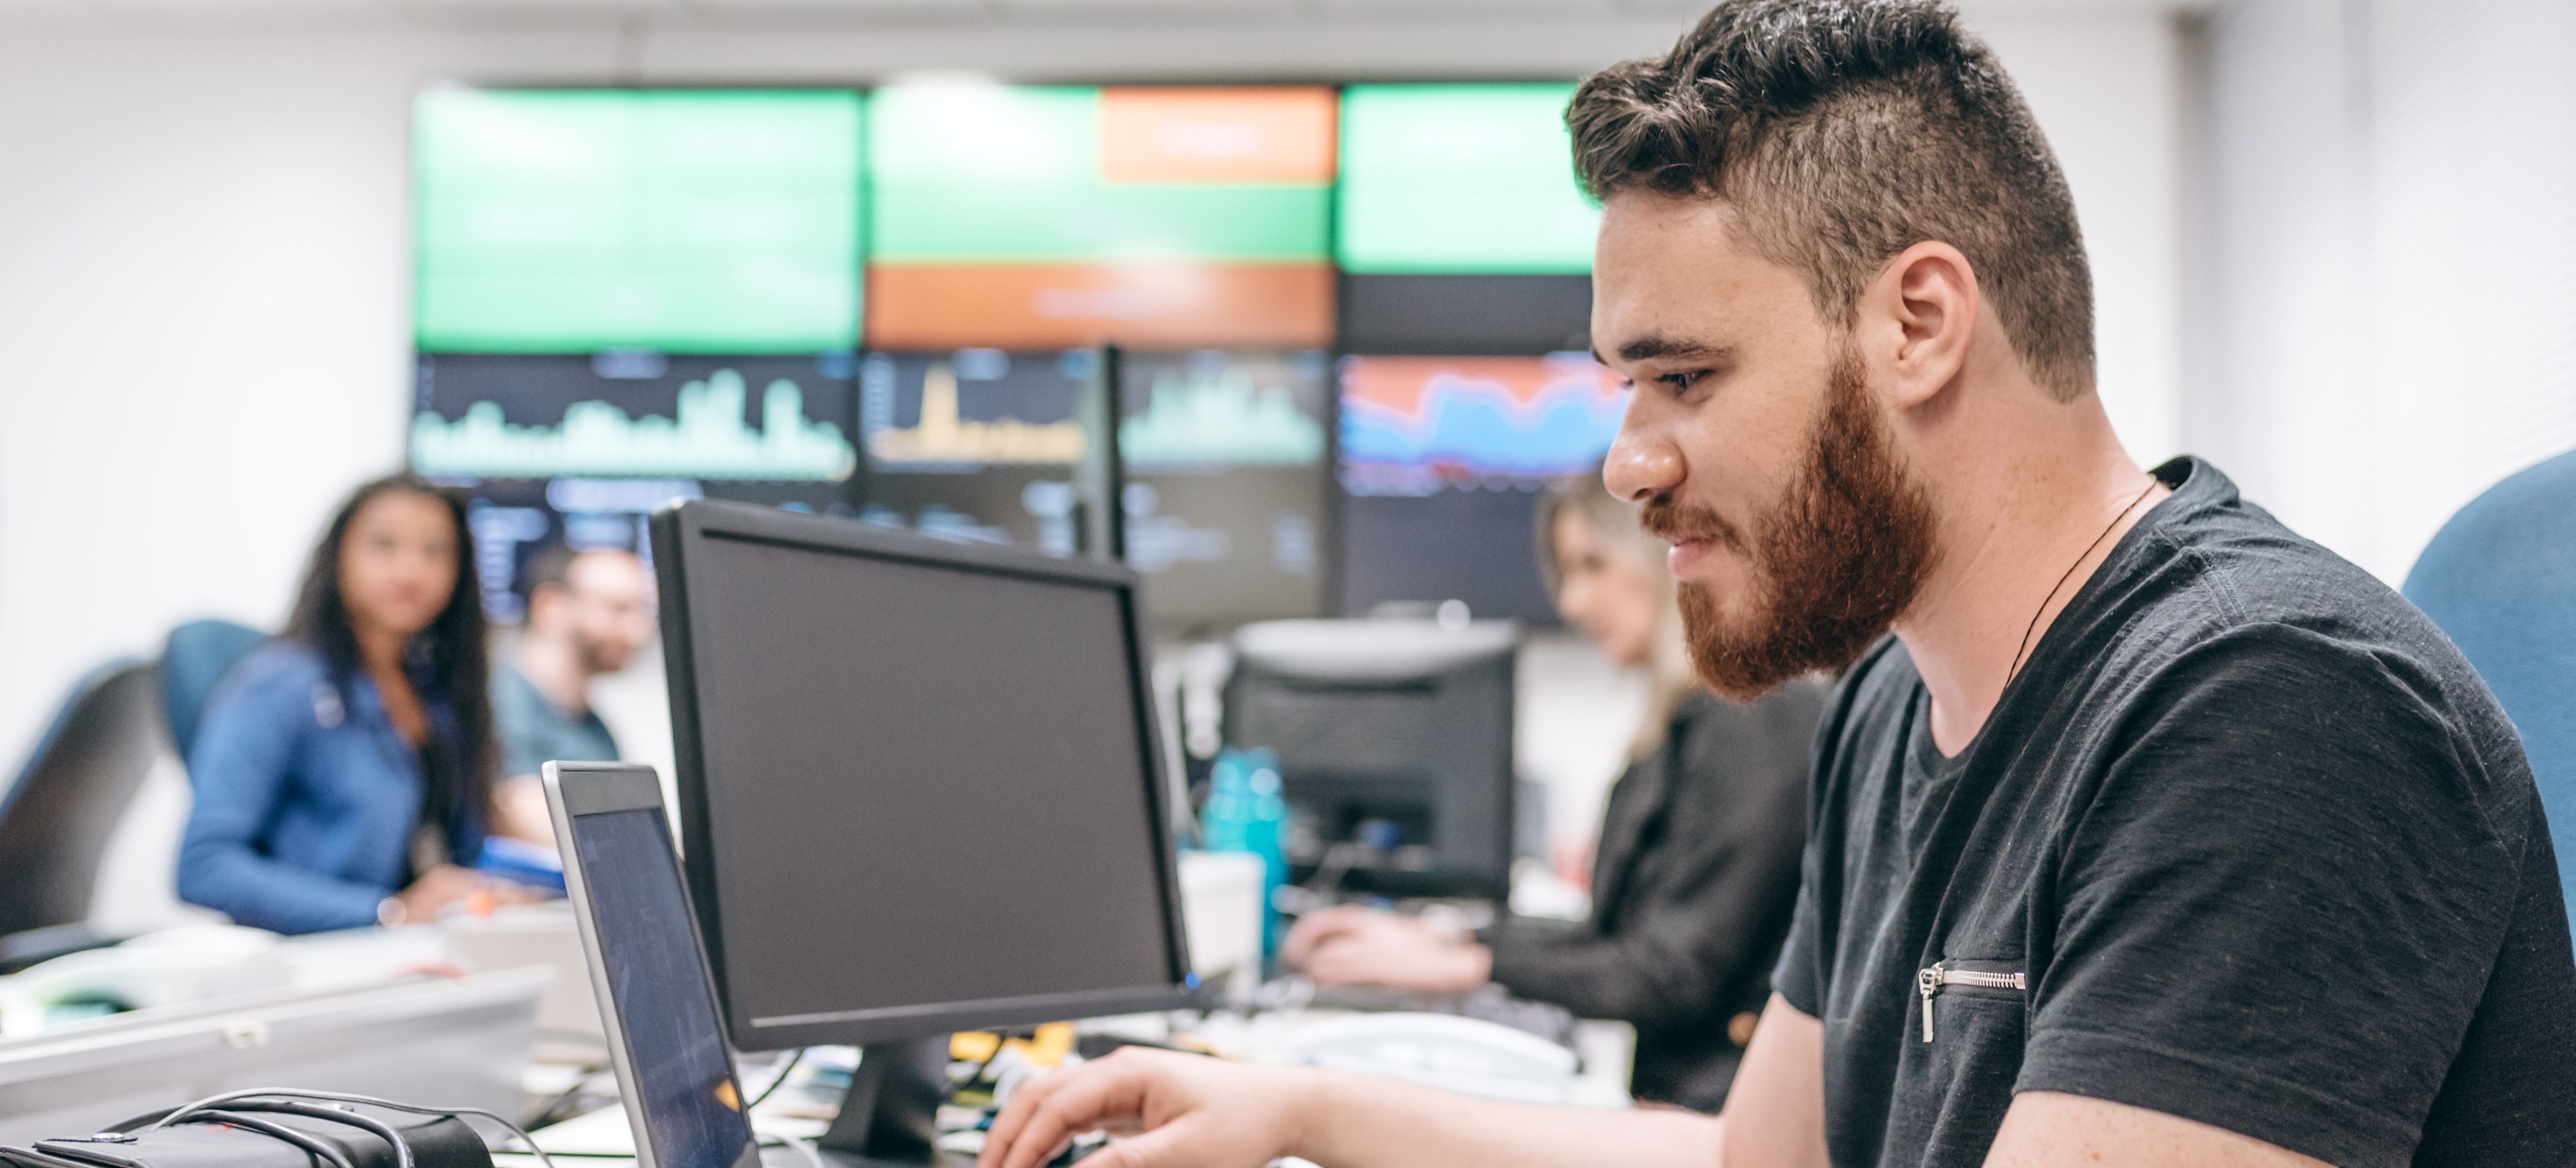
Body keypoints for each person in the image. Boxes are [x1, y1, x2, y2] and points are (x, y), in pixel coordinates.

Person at [978, 3, 2576, 1165]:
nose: (1627, 463)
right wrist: (1306, 1110)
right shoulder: (1897, 704)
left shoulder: (2269, 709)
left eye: (1678, 375)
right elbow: (1762, 1166)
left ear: (1918, 323)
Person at [1284, 473, 1822, 1111]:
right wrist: (1451, 940)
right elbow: (1612, 937)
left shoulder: (1752, 718)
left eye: (1593, 565)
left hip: (1720, 1124)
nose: (1572, 602)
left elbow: (1672, 972)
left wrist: (1471, 966)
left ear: (1663, 555)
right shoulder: (1687, 722)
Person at [179, 475, 530, 935]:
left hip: (410, 950)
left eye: (435, 551)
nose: (410, 569)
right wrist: (387, 912)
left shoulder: (438, 694)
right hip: (319, 956)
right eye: (384, 545)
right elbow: (205, 866)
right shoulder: (278, 687)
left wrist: (500, 889)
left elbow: (462, 847)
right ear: (338, 556)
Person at [487, 545, 655, 844]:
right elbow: (524, 818)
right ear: (551, 608)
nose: (640, 631)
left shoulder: (595, 728)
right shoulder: (497, 704)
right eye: (618, 609)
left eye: (643, 611)